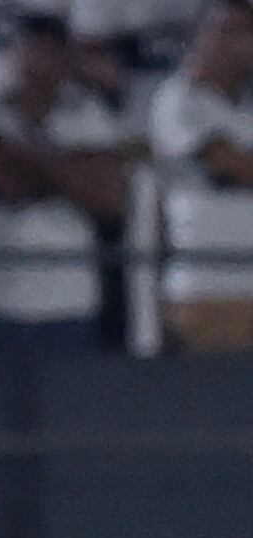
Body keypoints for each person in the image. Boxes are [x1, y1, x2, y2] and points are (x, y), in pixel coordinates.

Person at [0, 14, 132, 349]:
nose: (36, 64)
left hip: (69, 296)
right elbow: (8, 184)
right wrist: (71, 169)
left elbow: (109, 199)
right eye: (28, 51)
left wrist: (25, 156)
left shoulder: (91, 115)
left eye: (47, 53)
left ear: (65, 60)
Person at [150, 0, 253, 351]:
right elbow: (236, 165)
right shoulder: (178, 99)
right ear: (202, 36)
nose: (237, 43)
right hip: (205, 290)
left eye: (244, 32)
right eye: (225, 31)